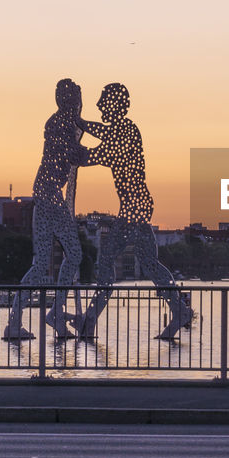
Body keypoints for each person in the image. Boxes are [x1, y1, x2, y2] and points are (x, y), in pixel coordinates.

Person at [76, 82, 191, 341]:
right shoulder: (120, 130)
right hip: (135, 205)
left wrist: (78, 139)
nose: (98, 105)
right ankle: (180, 311)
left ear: (115, 104)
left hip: (134, 207)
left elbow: (99, 153)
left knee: (106, 259)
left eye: (103, 100)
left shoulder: (127, 131)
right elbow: (102, 136)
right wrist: (81, 125)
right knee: (149, 263)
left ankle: (90, 321)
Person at [4, 79, 88, 341]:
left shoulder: (64, 123)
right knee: (73, 254)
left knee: (42, 265)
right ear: (67, 101)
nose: (77, 105)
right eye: (75, 100)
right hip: (50, 198)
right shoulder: (60, 124)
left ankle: (19, 320)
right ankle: (53, 312)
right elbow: (77, 155)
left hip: (47, 197)